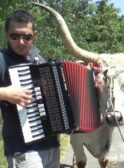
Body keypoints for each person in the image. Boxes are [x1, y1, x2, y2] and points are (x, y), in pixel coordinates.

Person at [0, 9, 60, 168]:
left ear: (34, 35)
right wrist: (5, 93)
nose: (21, 42)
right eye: (15, 36)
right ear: (6, 34)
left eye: (26, 36)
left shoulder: (38, 60)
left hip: (51, 145)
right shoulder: (2, 59)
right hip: (23, 149)